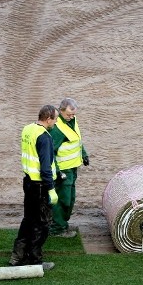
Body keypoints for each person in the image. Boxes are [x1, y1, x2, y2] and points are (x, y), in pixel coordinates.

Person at [10, 105, 59, 270]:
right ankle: (35, 261)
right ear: (48, 119)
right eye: (55, 119)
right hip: (40, 186)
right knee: (42, 224)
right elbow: (45, 167)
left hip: (28, 182)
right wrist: (51, 188)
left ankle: (17, 256)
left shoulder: (28, 129)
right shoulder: (44, 137)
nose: (56, 122)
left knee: (28, 220)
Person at [49, 97, 89, 238]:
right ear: (60, 111)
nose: (71, 117)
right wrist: (58, 171)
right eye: (68, 114)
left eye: (73, 114)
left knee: (70, 199)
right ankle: (57, 229)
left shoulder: (72, 121)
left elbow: (76, 140)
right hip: (63, 171)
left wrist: (83, 154)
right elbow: (50, 153)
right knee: (63, 200)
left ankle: (60, 224)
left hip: (72, 169)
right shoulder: (57, 129)